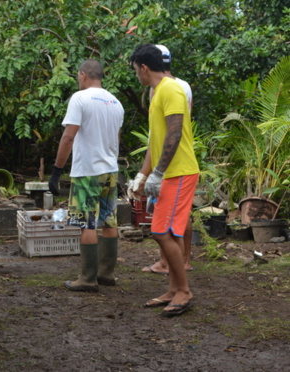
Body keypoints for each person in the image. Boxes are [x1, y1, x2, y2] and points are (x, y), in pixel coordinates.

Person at [130, 43, 199, 316]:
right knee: (169, 231)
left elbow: (175, 133)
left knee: (162, 232)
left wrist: (158, 174)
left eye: (136, 71)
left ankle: (183, 290)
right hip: (169, 173)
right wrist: (143, 175)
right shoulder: (157, 91)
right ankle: (173, 289)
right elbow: (155, 141)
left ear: (145, 68)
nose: (137, 76)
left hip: (179, 171)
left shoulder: (170, 89)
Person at [49, 59, 124, 292]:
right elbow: (116, 139)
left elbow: (68, 136)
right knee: (109, 220)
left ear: (83, 75)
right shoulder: (115, 102)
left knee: (87, 224)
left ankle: (88, 278)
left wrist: (56, 170)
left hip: (87, 171)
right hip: (110, 170)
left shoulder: (80, 99)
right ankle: (107, 273)